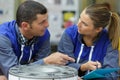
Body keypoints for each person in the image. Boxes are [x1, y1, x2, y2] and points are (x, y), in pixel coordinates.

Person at [0, 1, 75, 79]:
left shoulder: (43, 34)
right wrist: (46, 61)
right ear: (25, 26)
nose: (47, 25)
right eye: (42, 22)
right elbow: (13, 74)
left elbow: (41, 72)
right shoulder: (3, 37)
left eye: (46, 19)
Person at [58, 3, 120, 80]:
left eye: (84, 24)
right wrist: (83, 67)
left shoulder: (109, 39)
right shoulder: (70, 34)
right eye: (80, 18)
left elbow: (111, 74)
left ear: (98, 29)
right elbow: (62, 66)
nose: (78, 24)